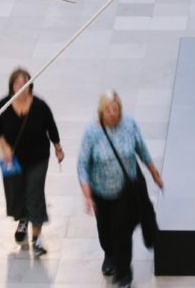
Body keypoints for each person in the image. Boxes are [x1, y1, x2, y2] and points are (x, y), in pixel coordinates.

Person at [77, 91, 163, 287]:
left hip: (125, 189)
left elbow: (141, 148)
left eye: (116, 109)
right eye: (108, 110)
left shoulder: (129, 125)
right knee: (105, 232)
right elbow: (82, 164)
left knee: (121, 232)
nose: (113, 113)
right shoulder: (92, 132)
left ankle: (125, 274)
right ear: (101, 111)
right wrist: (87, 194)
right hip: (101, 192)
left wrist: (154, 172)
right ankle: (109, 253)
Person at [0, 67, 63, 257]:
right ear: (11, 87)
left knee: (34, 193)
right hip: (13, 158)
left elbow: (51, 126)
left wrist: (57, 147)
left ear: (30, 85)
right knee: (16, 191)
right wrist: (2, 143)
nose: (20, 87)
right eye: (16, 84)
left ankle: (37, 237)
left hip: (38, 158)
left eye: (23, 83)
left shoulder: (39, 106)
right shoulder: (4, 105)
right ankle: (23, 218)